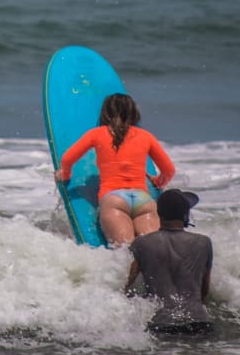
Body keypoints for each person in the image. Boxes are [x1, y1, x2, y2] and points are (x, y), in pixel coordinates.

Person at [55, 93, 176, 246]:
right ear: (133, 113)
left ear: (106, 113)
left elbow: (67, 159)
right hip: (144, 200)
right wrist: (158, 182)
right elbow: (169, 170)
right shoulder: (146, 136)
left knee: (126, 254)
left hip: (114, 200)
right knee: (153, 251)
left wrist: (65, 174)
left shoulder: (96, 134)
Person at [124, 188, 213, 335]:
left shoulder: (141, 243)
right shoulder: (204, 243)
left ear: (159, 214)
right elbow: (205, 288)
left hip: (162, 324)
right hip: (199, 322)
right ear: (185, 215)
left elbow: (129, 284)